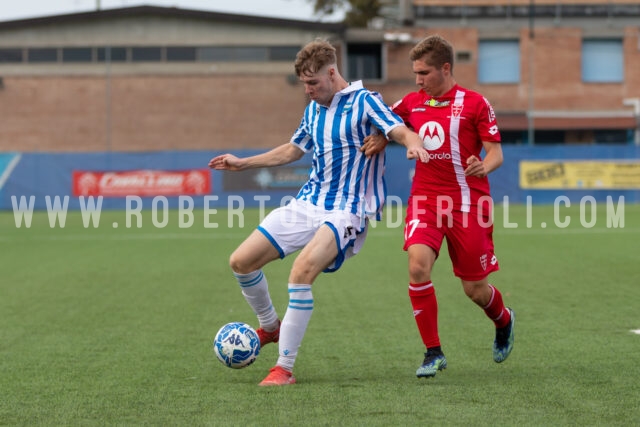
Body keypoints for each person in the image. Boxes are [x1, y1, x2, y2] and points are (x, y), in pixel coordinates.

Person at [209, 39, 428, 386]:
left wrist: (413, 143)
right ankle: (270, 326)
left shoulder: (365, 101)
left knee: (300, 273)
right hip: (308, 203)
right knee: (241, 261)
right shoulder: (313, 109)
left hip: (349, 211)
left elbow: (397, 128)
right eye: (304, 84)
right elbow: (293, 150)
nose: (308, 90)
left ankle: (284, 367)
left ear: (332, 72)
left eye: (313, 83)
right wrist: (243, 163)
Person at [363, 34, 515, 378]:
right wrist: (382, 137)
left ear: (445, 68)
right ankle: (433, 352)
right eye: (415, 73)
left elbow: (496, 154)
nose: (418, 80)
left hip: (467, 205)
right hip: (426, 202)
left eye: (424, 73)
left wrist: (483, 166)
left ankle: (503, 320)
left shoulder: (476, 103)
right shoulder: (412, 102)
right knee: (418, 267)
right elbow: (390, 124)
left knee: (474, 289)